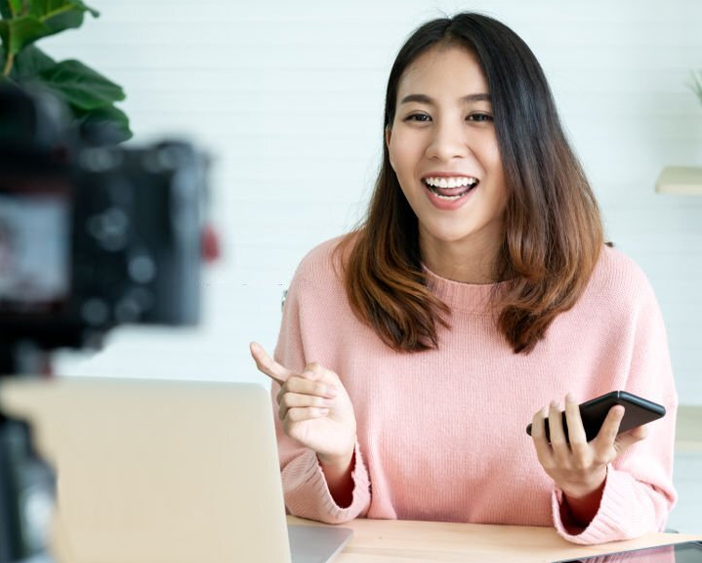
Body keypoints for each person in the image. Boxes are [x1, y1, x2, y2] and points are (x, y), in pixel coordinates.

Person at [249, 12, 677, 545]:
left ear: (528, 136)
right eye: (418, 117)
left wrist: (587, 488)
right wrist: (335, 461)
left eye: (480, 117)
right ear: (389, 139)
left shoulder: (615, 293)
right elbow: (287, 498)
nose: (443, 147)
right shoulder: (326, 281)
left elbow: (650, 505)